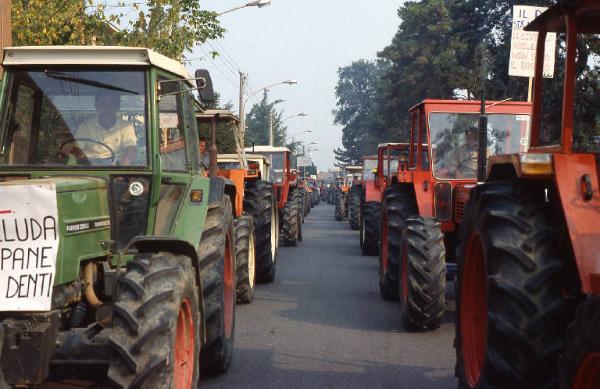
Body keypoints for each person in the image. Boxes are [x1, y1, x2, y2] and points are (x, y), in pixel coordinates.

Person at [69, 91, 137, 165]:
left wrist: (123, 170)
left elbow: (130, 150)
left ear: (117, 106)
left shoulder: (126, 127)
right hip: (89, 167)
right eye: (103, 104)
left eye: (112, 104)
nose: (108, 108)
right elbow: (77, 149)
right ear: (97, 106)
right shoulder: (86, 126)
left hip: (115, 169)